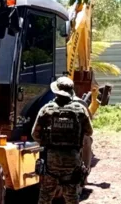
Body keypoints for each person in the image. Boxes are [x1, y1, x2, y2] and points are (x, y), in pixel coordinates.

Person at [31, 76, 93, 204]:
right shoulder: (80, 110)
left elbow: (34, 134)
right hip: (72, 159)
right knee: (71, 196)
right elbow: (89, 132)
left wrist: (47, 142)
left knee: (45, 196)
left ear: (56, 91)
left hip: (51, 160)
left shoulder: (46, 109)